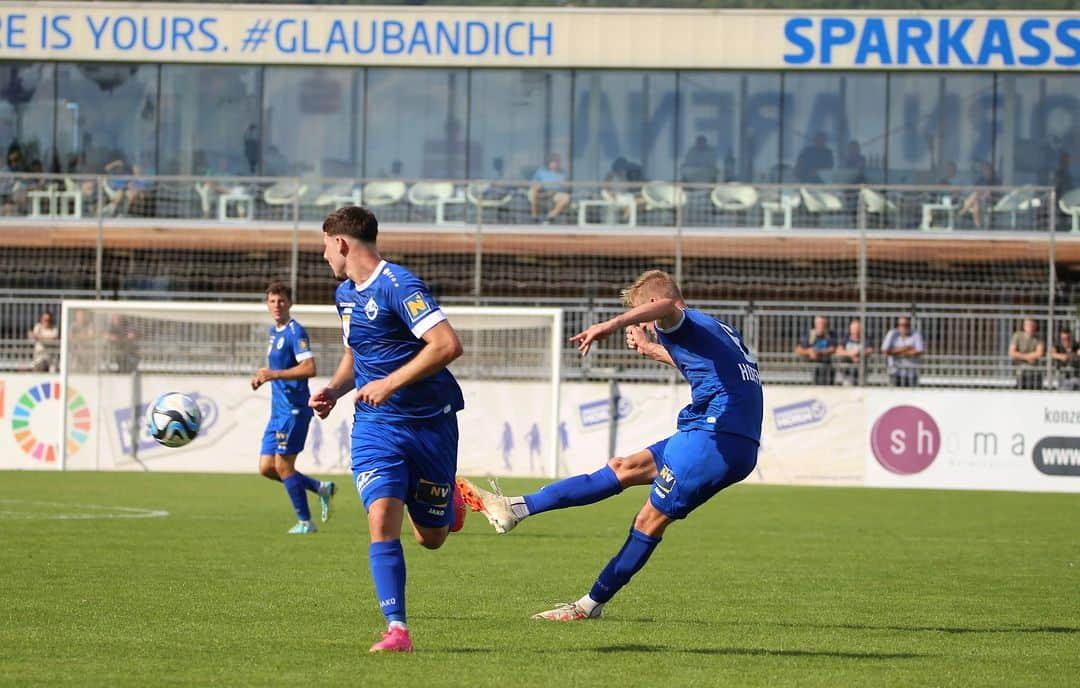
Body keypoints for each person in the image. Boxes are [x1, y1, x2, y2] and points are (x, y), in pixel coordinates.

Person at [459, 269, 762, 622]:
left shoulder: (676, 319)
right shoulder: (717, 329)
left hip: (714, 438)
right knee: (624, 468)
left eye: (643, 314)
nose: (648, 324)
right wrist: (651, 350)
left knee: (649, 520)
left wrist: (611, 325)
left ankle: (589, 606)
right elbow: (704, 368)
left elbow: (665, 306)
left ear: (650, 304)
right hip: (718, 433)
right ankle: (515, 508)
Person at [308, 205, 468, 653]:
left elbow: (448, 345)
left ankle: (448, 500)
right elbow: (356, 353)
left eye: (324, 246)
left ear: (341, 243)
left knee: (431, 538)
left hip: (430, 424)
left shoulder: (400, 285)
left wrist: (392, 382)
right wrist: (336, 390)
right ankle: (397, 629)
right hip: (376, 426)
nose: (323, 256)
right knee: (381, 518)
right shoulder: (344, 295)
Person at [251, 282, 335, 535]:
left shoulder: (295, 332)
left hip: (294, 410)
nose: (277, 305)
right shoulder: (273, 332)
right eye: (273, 301)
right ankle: (321, 488)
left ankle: (306, 522)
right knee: (267, 468)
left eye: (282, 301)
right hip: (278, 411)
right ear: (267, 304)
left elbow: (310, 368)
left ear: (290, 303)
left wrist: (274, 374)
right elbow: (275, 371)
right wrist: (262, 378)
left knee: (284, 466)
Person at [794, 316, 838, 386]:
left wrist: (819, 352)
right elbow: (798, 349)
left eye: (823, 324)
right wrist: (809, 351)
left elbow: (834, 348)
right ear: (815, 324)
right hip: (811, 366)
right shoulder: (810, 335)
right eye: (819, 324)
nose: (821, 326)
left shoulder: (830, 335)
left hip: (827, 366)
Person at [881, 316, 924, 387]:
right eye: (902, 325)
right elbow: (885, 351)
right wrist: (906, 348)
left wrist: (896, 352)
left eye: (907, 325)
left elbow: (919, 351)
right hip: (895, 372)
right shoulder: (892, 333)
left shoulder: (916, 334)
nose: (904, 327)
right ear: (898, 325)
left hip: (911, 373)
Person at [528, 153, 570, 224]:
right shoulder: (541, 171)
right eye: (553, 162)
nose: (555, 164)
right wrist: (539, 188)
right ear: (549, 163)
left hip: (554, 194)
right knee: (532, 192)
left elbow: (566, 187)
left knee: (566, 197)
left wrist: (564, 184)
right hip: (541, 193)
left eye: (557, 162)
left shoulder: (562, 173)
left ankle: (550, 217)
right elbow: (533, 183)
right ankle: (534, 217)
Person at [1008, 318, 1045, 390]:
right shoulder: (1017, 336)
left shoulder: (1039, 338)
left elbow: (1040, 353)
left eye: (1032, 325)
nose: (1030, 327)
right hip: (1021, 370)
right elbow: (1012, 352)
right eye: (1028, 325)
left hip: (1035, 370)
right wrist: (1028, 357)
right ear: (1024, 326)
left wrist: (1020, 356)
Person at [960, 160, 999, 229]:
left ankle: (963, 211)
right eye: (983, 170)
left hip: (991, 201)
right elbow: (974, 190)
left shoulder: (995, 180)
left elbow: (994, 193)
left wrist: (984, 194)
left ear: (990, 170)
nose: (985, 171)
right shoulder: (980, 180)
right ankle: (978, 226)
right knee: (976, 202)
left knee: (975, 196)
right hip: (980, 200)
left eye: (986, 169)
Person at [834, 317, 872, 386]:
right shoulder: (846, 339)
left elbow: (870, 350)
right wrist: (851, 354)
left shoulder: (865, 339)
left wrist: (859, 353)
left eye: (857, 328)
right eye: (854, 328)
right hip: (847, 372)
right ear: (850, 329)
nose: (855, 330)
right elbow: (838, 351)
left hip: (861, 371)